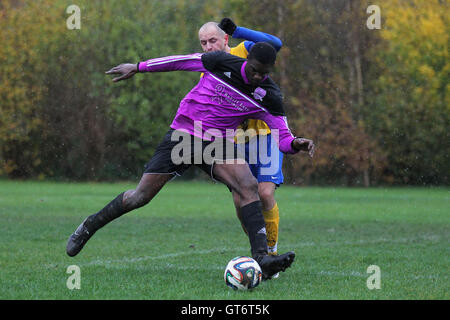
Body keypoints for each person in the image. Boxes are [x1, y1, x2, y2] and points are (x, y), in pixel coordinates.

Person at [66, 42, 315, 280]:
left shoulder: (269, 95)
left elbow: (283, 137)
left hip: (217, 143)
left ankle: (262, 258)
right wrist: (139, 67)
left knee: (248, 185)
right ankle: (90, 225)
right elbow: (180, 62)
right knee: (140, 197)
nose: (258, 77)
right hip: (184, 135)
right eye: (254, 70)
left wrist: (295, 144)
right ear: (246, 61)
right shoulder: (221, 62)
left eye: (264, 73)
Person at [198, 18, 284, 256]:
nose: (208, 47)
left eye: (212, 40)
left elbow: (275, 44)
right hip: (235, 142)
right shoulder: (208, 70)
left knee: (265, 193)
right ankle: (260, 251)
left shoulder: (243, 50)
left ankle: (271, 251)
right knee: (240, 203)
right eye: (203, 43)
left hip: (265, 135)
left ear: (225, 39)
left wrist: (238, 31)